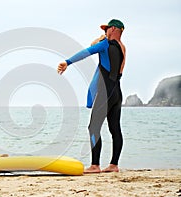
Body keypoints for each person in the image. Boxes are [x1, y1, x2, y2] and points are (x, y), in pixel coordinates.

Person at [57, 19, 126, 173]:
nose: (104, 33)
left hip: (105, 93)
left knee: (93, 127)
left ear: (113, 29)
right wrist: (102, 38)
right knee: (115, 129)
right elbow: (118, 70)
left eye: (106, 29)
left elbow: (86, 52)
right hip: (117, 93)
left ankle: (95, 165)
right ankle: (114, 165)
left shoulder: (105, 44)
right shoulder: (123, 48)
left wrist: (67, 62)